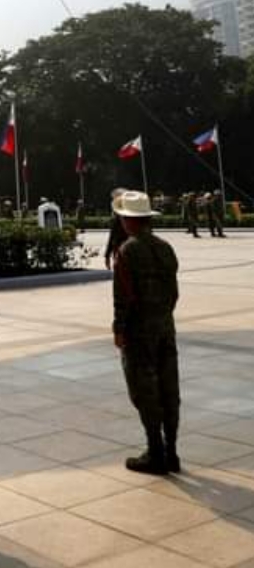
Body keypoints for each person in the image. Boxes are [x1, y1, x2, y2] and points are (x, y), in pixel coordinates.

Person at [111, 189, 180, 475]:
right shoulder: (165, 247)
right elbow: (174, 293)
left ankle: (155, 452)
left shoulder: (127, 251)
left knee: (144, 391)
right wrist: (161, 315)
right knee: (169, 388)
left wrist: (119, 329)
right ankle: (172, 451)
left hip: (139, 332)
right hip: (165, 326)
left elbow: (123, 297)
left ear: (128, 220)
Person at [104, 189, 129, 269]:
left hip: (121, 252)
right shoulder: (118, 217)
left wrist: (107, 256)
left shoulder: (118, 218)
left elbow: (112, 237)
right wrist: (107, 255)